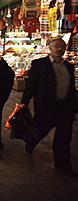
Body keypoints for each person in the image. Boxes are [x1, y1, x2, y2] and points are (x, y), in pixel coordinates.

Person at [20, 38, 78, 176]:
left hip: (65, 108)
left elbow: (71, 88)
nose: (59, 49)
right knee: (40, 131)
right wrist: (24, 101)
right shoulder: (39, 64)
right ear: (50, 48)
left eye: (62, 46)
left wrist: (74, 106)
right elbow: (31, 85)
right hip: (46, 107)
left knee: (64, 138)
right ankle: (31, 142)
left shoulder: (68, 66)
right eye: (56, 46)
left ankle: (63, 165)